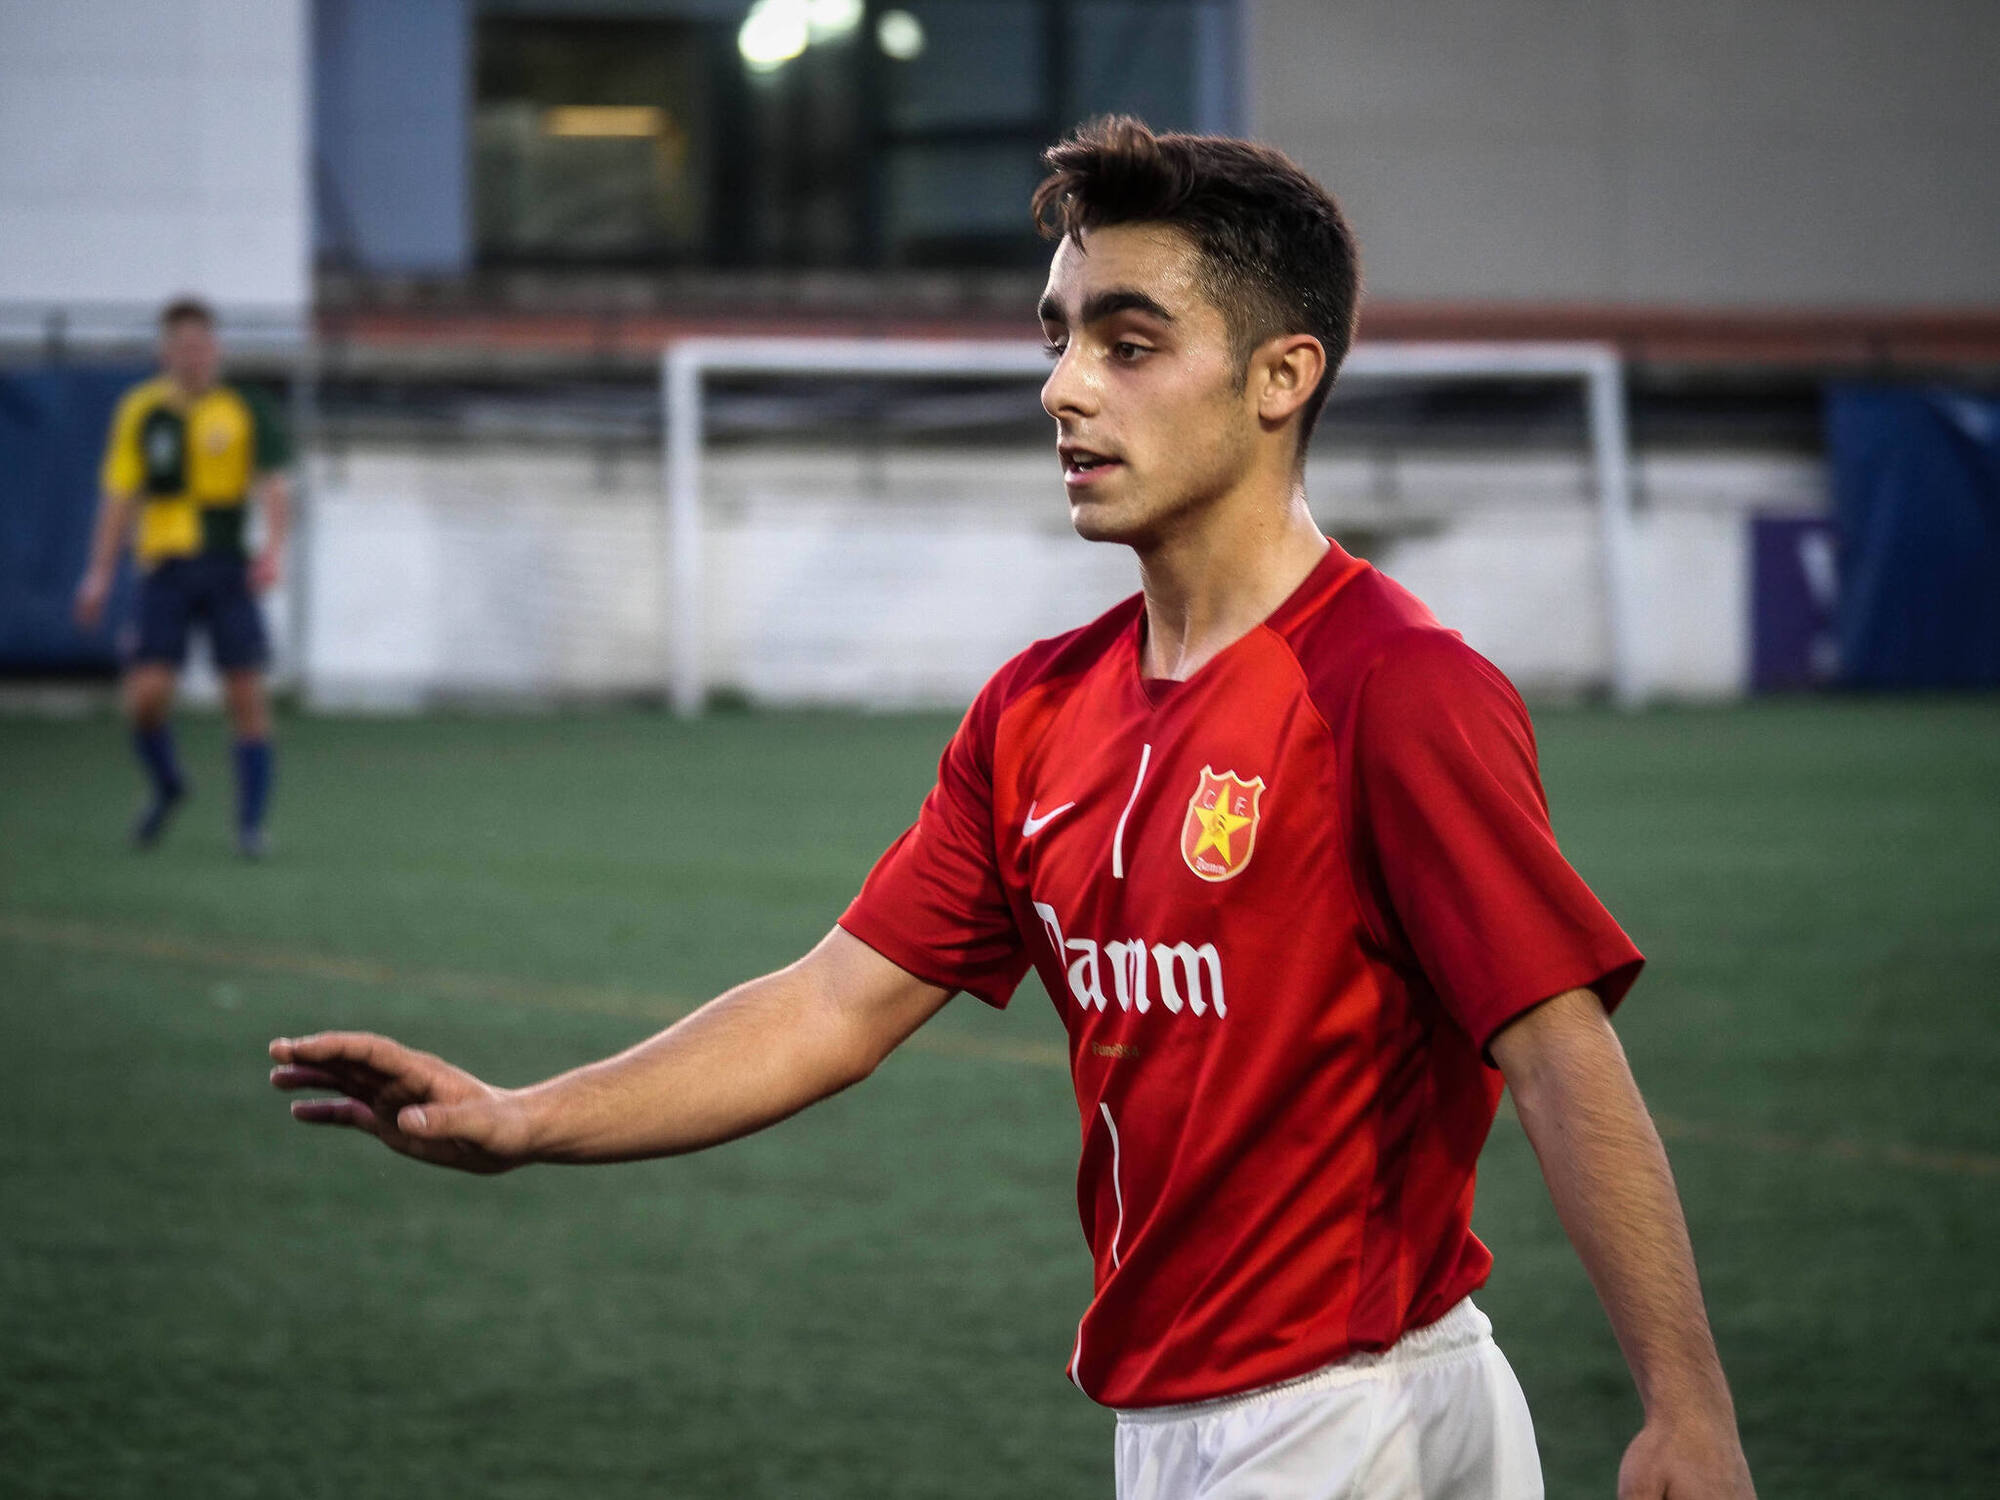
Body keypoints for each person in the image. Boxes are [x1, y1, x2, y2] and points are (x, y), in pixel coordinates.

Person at [269, 120, 1755, 1499]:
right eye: (1059, 338)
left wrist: (1685, 1408)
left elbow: (1559, 1053)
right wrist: (523, 1119)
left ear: (1280, 377)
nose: (1064, 388)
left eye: (1128, 343)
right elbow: (831, 1007)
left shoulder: (1391, 688)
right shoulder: (1037, 711)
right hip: (1178, 1421)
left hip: (1356, 1415)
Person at [75, 296, 291, 857]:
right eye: (183, 346)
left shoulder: (244, 406)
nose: (195, 356)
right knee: (146, 696)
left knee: (245, 693)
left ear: (216, 349)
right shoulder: (141, 410)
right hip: (164, 568)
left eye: (203, 345)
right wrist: (99, 573)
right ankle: (168, 783)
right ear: (165, 352)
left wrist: (273, 550)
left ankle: (250, 827)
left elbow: (272, 484)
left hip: (225, 566)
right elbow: (120, 494)